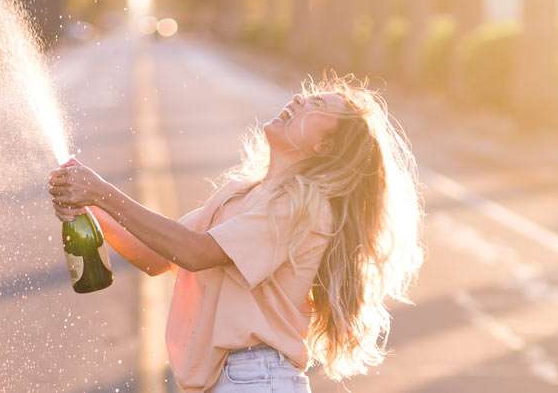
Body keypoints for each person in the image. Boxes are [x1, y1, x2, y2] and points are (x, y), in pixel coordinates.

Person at [48, 73, 425, 393]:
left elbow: (195, 253)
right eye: (308, 95)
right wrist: (88, 205)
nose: (299, 99)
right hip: (231, 380)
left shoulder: (302, 207)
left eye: (317, 106)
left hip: (256, 380)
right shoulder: (243, 195)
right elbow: (156, 257)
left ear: (324, 146)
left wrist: (101, 191)